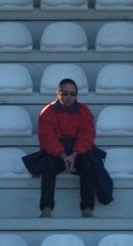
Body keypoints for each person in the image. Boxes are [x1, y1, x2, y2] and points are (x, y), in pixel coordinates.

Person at [35, 79, 100, 219]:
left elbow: (87, 135)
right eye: (65, 93)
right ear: (58, 94)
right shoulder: (47, 112)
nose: (69, 97)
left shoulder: (84, 111)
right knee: (49, 166)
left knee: (88, 166)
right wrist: (63, 156)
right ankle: (46, 208)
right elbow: (48, 139)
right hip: (56, 154)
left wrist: (74, 155)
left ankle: (87, 209)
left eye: (73, 94)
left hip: (77, 153)